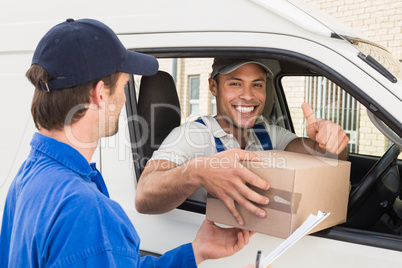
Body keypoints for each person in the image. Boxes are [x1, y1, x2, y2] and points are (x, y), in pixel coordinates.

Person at [0, 19, 256, 267]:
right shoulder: (85, 212)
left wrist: (195, 251)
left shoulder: (29, 177)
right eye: (124, 86)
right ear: (100, 94)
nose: (124, 99)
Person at [136, 58, 349, 226]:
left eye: (257, 85)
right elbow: (144, 195)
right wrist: (199, 171)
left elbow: (324, 158)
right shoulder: (193, 135)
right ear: (213, 87)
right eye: (235, 83)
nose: (248, 96)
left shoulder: (268, 134)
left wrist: (329, 142)